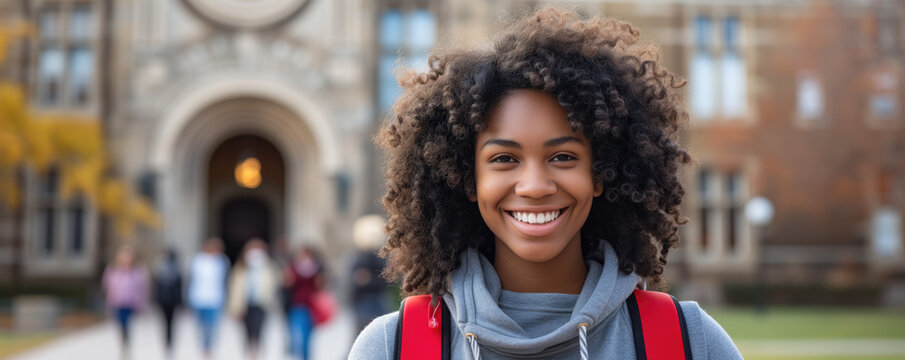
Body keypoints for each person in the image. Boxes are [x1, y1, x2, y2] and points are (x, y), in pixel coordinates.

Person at [349, 7, 742, 359]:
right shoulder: (393, 347)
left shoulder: (688, 342)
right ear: (468, 180)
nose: (534, 186)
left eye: (563, 157)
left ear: (600, 173)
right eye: (504, 159)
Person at [228, 238, 279, 360]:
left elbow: (275, 283)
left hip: (261, 303)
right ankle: (249, 352)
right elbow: (234, 288)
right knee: (247, 331)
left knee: (259, 329)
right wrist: (234, 307)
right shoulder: (240, 267)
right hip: (245, 304)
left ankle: (255, 353)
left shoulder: (269, 266)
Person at [102, 245, 149, 358]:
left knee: (127, 325)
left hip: (131, 303)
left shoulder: (138, 272)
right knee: (121, 325)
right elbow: (107, 286)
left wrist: (142, 304)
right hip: (117, 302)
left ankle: (126, 346)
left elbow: (143, 289)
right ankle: (123, 345)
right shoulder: (113, 270)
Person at [188, 237, 230, 359]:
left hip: (215, 299)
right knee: (200, 326)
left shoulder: (222, 261)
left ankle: (209, 349)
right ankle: (203, 348)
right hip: (198, 298)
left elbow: (226, 280)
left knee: (212, 327)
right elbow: (190, 279)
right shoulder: (196, 260)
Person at [349, 215, 391, 333]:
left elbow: (386, 279)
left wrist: (368, 280)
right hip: (364, 303)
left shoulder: (376, 257)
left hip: (375, 302)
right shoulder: (358, 257)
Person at [283, 246, 326, 360]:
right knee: (298, 335)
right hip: (297, 305)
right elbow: (287, 284)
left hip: (312, 306)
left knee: (308, 336)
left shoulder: (318, 268)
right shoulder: (293, 267)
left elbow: (322, 285)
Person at [153, 248, 183, 357]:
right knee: (165, 323)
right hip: (163, 300)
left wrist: (180, 302)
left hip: (173, 301)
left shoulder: (176, 270)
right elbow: (156, 287)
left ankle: (170, 343)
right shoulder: (160, 269)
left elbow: (179, 288)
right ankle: (166, 342)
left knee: (171, 323)